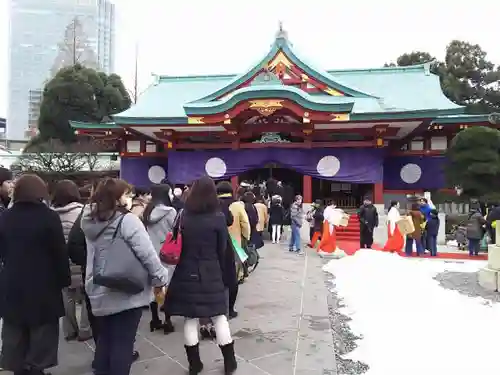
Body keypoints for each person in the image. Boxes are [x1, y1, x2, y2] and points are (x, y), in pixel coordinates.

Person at [81, 178, 170, 375]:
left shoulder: (89, 220)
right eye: (127, 194)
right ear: (117, 198)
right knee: (123, 344)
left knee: (105, 342)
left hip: (98, 287)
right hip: (126, 289)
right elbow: (147, 254)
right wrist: (160, 278)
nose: (130, 197)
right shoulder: (127, 220)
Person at [164, 176, 237, 375]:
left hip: (186, 272)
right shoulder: (218, 217)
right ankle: (230, 362)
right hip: (211, 272)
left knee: (190, 319)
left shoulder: (183, 216)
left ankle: (194, 364)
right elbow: (223, 249)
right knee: (219, 317)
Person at [0, 174, 71, 375]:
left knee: (15, 335)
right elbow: (59, 253)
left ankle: (19, 369)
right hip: (44, 288)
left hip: (12, 286)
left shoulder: (5, 216)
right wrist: (63, 280)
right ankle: (36, 369)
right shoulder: (49, 217)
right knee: (41, 337)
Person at [51, 180, 92, 342]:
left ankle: (69, 330)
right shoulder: (82, 213)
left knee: (66, 297)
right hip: (79, 260)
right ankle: (85, 329)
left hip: (61, 263)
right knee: (85, 296)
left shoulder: (51, 214)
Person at [143, 184, 177, 334]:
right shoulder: (170, 212)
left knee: (154, 286)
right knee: (167, 285)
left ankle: (155, 319)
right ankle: (167, 320)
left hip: (151, 251)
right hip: (167, 252)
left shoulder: (147, 211)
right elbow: (176, 231)